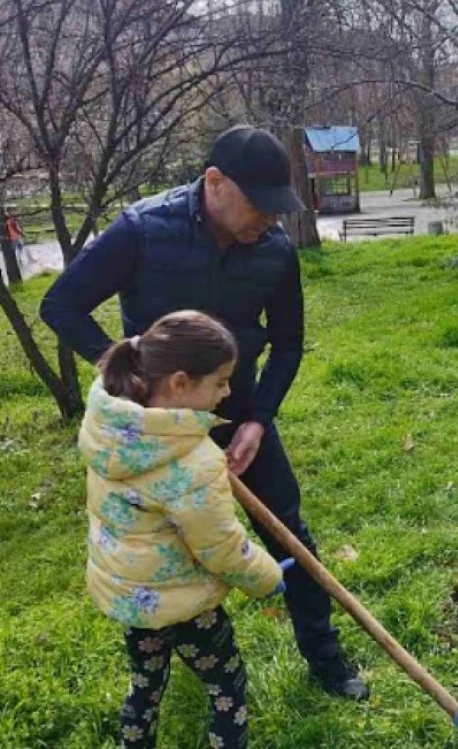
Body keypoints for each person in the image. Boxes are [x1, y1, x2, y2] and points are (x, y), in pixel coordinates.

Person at [40, 125, 368, 699]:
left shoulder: (274, 252)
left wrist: (258, 420)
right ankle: (185, 660)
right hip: (158, 429)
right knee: (164, 546)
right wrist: (127, 372)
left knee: (288, 531)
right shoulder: (144, 230)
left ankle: (326, 658)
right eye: (261, 204)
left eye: (278, 207)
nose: (271, 218)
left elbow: (288, 343)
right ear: (215, 182)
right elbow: (61, 304)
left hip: (236, 411)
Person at [79, 310, 288, 748]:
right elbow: (221, 549)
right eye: (220, 382)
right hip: (187, 602)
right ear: (179, 383)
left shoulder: (110, 427)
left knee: (145, 686)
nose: (228, 392)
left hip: (132, 598)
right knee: (226, 687)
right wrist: (268, 577)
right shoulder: (191, 463)